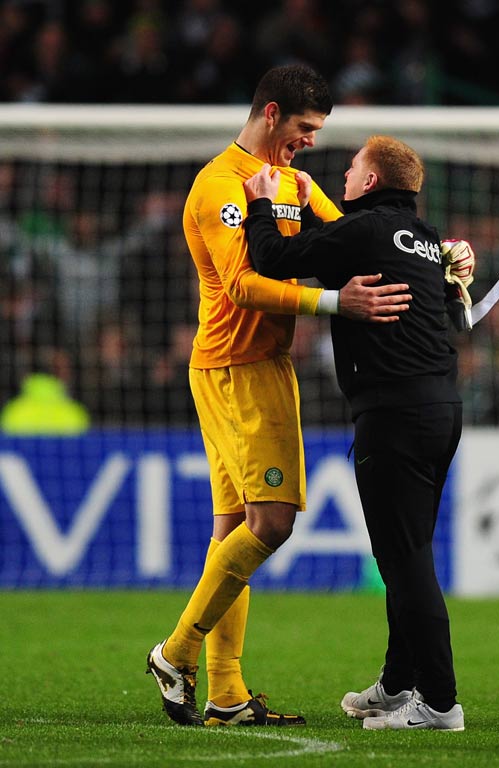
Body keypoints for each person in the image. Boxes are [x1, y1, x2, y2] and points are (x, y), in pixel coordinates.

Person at [145, 64, 413, 728]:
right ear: (271, 114)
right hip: (235, 367)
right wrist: (334, 303)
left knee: (235, 528)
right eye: (304, 128)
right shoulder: (219, 187)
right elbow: (240, 285)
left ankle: (226, 694)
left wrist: (437, 255)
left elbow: (355, 234)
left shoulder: (294, 184)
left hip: (259, 365)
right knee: (273, 522)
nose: (311, 143)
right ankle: (175, 652)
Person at [242, 135, 467, 731]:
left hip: (394, 415)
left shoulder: (363, 232)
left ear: (370, 183)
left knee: (405, 559)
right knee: (405, 555)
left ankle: (440, 703)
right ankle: (399, 684)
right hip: (440, 409)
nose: (342, 177)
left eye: (350, 169)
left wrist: (261, 203)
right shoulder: (427, 238)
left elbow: (272, 259)